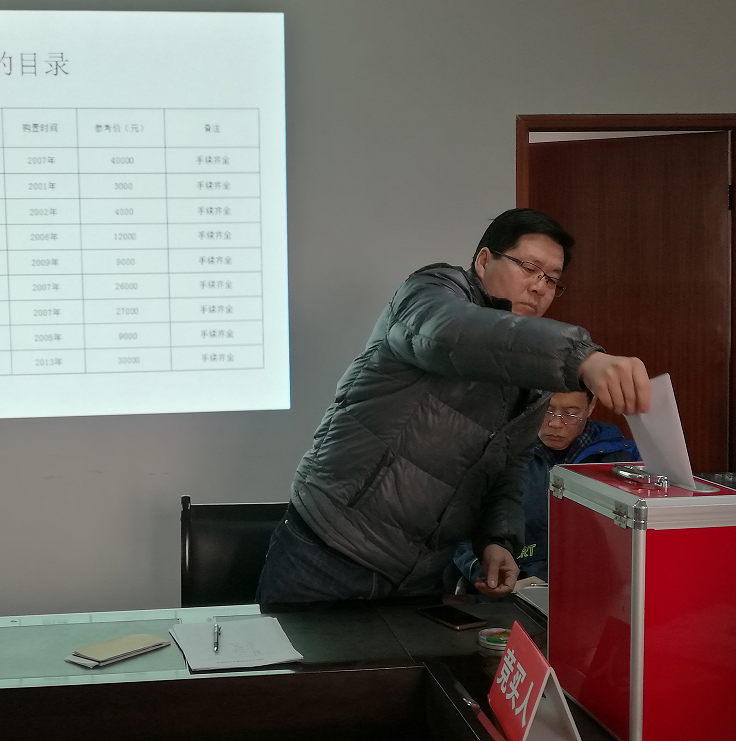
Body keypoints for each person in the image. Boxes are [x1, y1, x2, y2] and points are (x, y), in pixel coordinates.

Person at [257, 208, 649, 603]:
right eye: (529, 268)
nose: (539, 288)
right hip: (329, 550)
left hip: (423, 574)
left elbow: (509, 468)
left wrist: (495, 539)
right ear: (484, 261)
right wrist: (581, 358)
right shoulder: (432, 292)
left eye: (552, 279)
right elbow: (449, 334)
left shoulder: (534, 371)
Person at [453, 389, 640, 587]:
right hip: (517, 582)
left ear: (591, 406)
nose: (556, 423)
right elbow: (456, 530)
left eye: (570, 414)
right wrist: (494, 576)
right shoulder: (496, 453)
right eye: (546, 411)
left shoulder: (626, 460)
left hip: (597, 586)